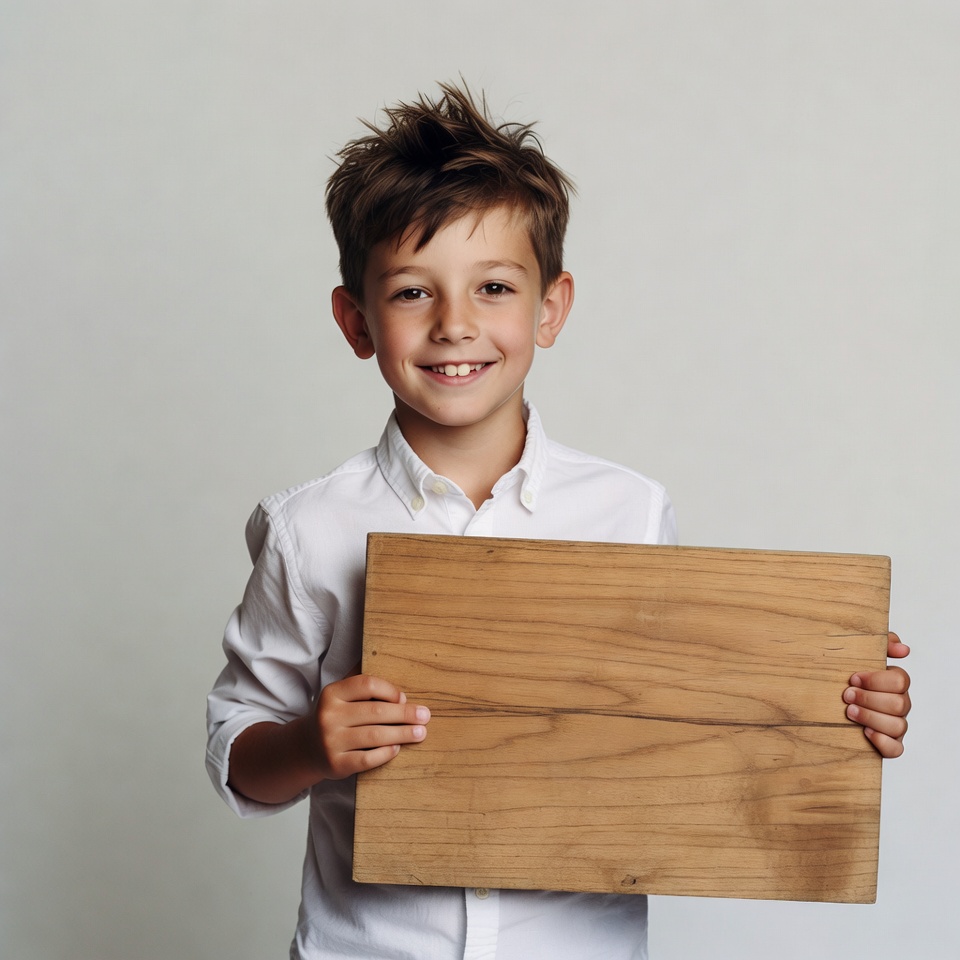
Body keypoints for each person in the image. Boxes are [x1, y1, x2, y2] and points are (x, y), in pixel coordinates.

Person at [206, 82, 911, 960]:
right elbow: (239, 753)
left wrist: (838, 706)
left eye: (493, 287)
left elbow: (690, 724)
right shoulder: (309, 527)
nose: (456, 325)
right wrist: (312, 743)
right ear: (357, 321)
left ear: (550, 308)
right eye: (413, 293)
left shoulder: (629, 509)